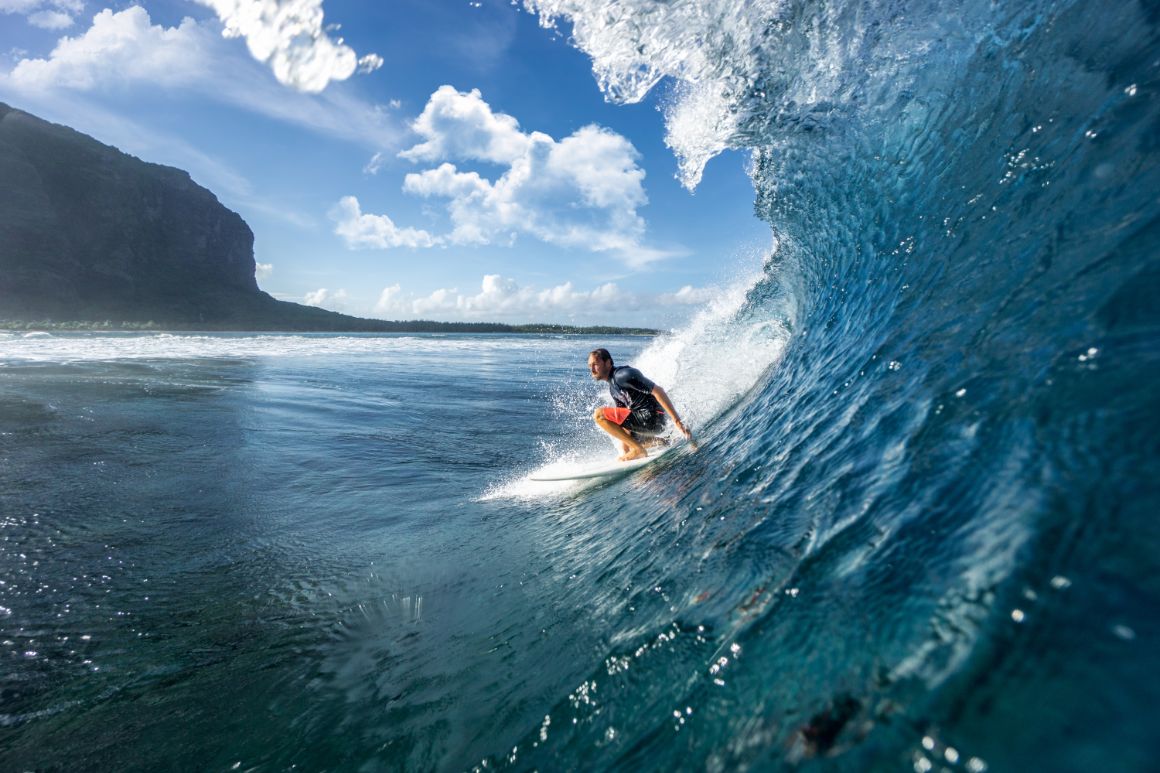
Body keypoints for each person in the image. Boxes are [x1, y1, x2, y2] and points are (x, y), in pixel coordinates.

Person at [587, 348, 693, 461]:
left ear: (608, 363)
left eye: (595, 364)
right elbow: (623, 422)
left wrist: (677, 421)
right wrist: (626, 447)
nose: (592, 369)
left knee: (599, 415)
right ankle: (666, 442)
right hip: (648, 423)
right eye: (590, 366)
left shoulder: (623, 375)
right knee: (626, 447)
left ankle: (638, 449)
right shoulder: (613, 389)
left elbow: (658, 391)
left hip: (650, 418)